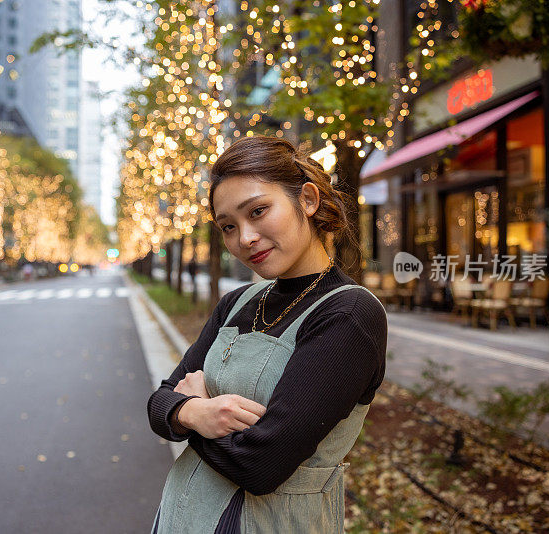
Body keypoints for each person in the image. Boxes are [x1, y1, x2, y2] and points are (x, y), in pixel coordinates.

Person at [147, 136, 388, 533]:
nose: (245, 238)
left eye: (258, 211)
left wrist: (186, 416)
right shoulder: (238, 301)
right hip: (180, 515)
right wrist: (194, 412)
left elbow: (260, 466)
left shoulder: (348, 314)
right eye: (228, 226)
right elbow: (158, 403)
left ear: (307, 200)